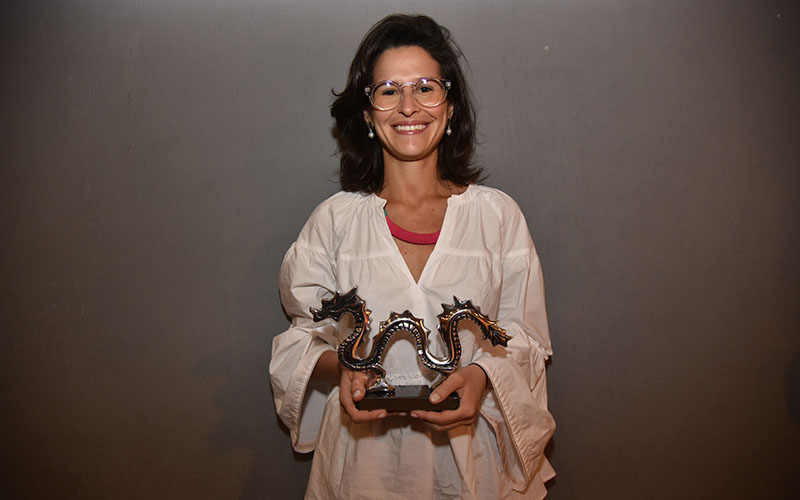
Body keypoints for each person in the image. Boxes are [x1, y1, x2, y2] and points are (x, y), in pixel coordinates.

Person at [270, 14, 555, 499]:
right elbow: (299, 341)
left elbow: (526, 339)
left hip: (474, 471)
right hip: (362, 474)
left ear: (450, 105)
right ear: (367, 113)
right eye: (388, 90)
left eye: (425, 87)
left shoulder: (498, 218)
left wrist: (481, 375)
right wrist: (343, 368)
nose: (408, 106)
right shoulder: (333, 223)